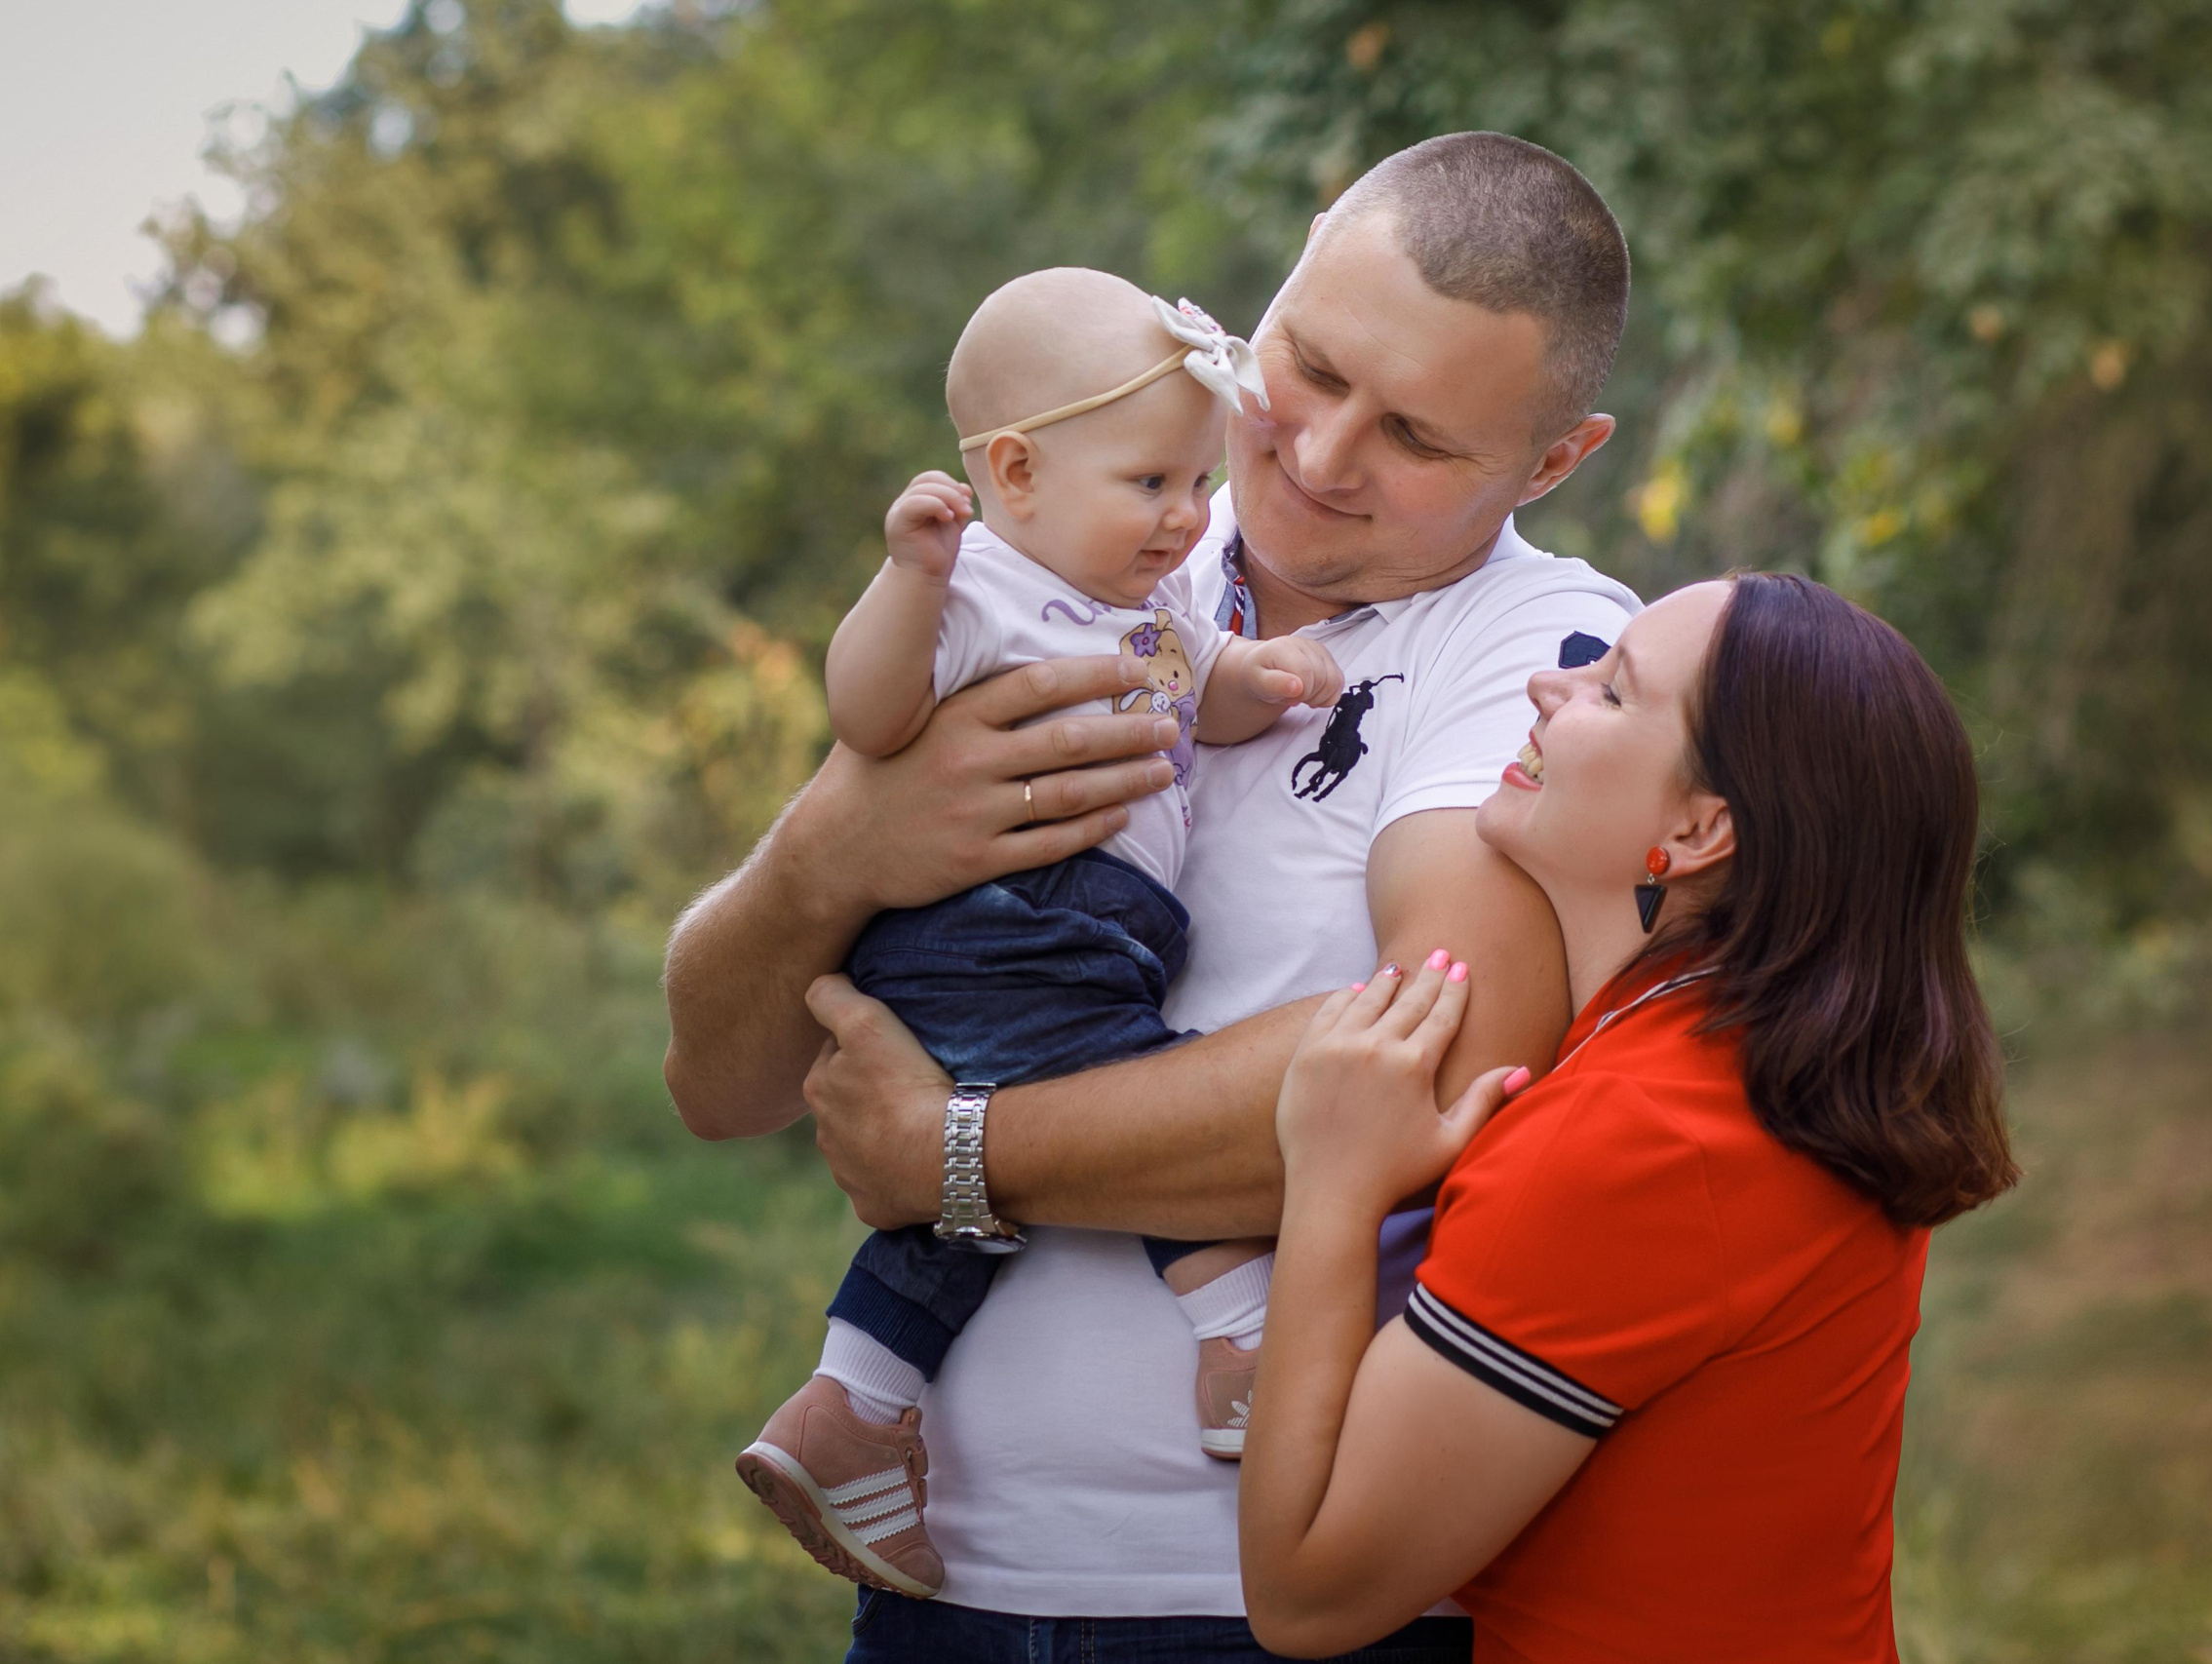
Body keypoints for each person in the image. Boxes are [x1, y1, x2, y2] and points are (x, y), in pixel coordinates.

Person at [664, 133, 1636, 1661]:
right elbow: (722, 1080)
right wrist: (833, 852)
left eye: (1419, 438)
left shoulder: (1555, 654)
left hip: (1277, 1606)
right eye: (1309, 367)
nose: (1318, 458)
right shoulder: (1062, 563)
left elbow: (1441, 1059)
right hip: (949, 1587)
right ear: (1296, 262)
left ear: (1557, 456)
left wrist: (956, 1150)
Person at [1234, 575, 2023, 1663]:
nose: (1546, 686)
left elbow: (1307, 1591)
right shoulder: (1747, 1075)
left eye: (1609, 691)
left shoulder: (1643, 1139)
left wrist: (1329, 1180)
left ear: (1701, 829)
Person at [735, 270, 1346, 1600]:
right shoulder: (983, 591)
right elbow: (869, 708)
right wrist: (908, 576)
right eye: (1151, 486)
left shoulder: (1159, 597)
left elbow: (1200, 699)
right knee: (1131, 1084)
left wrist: (1262, 679)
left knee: (977, 1193)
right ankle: (1240, 1331)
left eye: (1198, 482)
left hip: (1093, 927)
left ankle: (855, 1397)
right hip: (996, 927)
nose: (1189, 516)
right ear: (1013, 471)